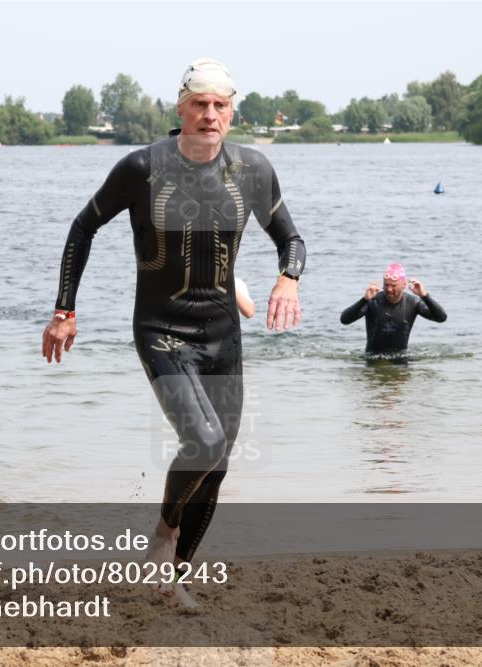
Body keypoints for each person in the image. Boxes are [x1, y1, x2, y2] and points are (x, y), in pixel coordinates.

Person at [42, 58, 305, 605]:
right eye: (199, 105)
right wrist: (65, 308)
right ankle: (163, 534)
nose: (210, 115)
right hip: (161, 329)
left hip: (223, 335)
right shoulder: (142, 168)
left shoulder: (253, 170)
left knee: (219, 462)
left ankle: (177, 577)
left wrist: (288, 280)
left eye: (220, 106)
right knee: (203, 441)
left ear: (232, 112)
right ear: (181, 109)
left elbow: (292, 239)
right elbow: (83, 226)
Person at [340, 263, 446, 356]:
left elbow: (441, 318)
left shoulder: (413, 302)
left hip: (401, 359)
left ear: (404, 285)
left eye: (393, 285)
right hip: (372, 358)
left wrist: (425, 296)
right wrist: (364, 300)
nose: (389, 289)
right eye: (386, 285)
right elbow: (344, 320)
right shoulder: (372, 301)